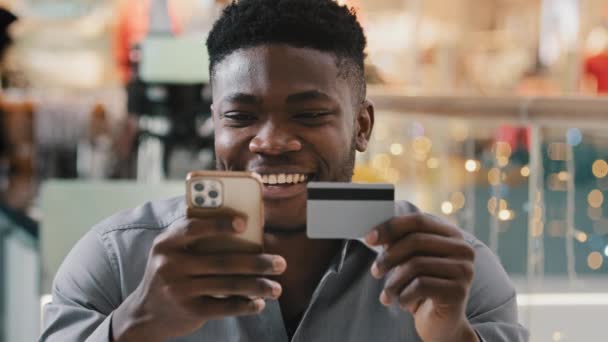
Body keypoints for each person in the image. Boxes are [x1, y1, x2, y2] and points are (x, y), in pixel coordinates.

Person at [40, 1, 528, 341]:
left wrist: (453, 338)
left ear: (362, 126)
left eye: (310, 114)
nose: (270, 141)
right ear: (214, 126)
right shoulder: (117, 262)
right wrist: (132, 326)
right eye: (239, 116)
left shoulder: (453, 275)